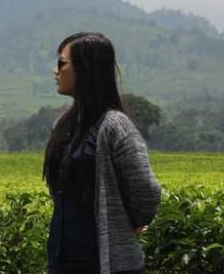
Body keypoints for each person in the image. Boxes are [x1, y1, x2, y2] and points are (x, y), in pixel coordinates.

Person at [43, 32, 161, 274]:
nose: (55, 71)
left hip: (107, 263)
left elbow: (146, 191)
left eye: (61, 63)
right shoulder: (63, 124)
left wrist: (128, 223)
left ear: (85, 69)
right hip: (63, 259)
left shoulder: (115, 126)